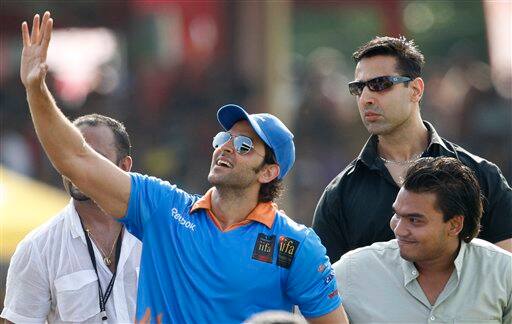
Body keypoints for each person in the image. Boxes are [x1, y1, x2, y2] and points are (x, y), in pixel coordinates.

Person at [18, 12, 348, 323]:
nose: (226, 148)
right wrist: (36, 90)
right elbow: (77, 160)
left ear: (268, 172)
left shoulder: (295, 245)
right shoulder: (163, 207)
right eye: (224, 138)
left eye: (245, 146)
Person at [313, 36, 512, 261]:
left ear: (416, 90)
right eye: (358, 88)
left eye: (380, 85)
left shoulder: (481, 176)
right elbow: (326, 286)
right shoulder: (340, 194)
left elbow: (506, 275)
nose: (366, 98)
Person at [333, 157, 512, 323]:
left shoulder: (504, 274)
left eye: (415, 220)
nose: (399, 229)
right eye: (397, 215)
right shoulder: (352, 271)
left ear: (454, 225)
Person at [1, 114, 142, 323]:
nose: (79, 167)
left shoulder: (157, 233)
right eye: (70, 156)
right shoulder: (37, 248)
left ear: (124, 166)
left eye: (95, 157)